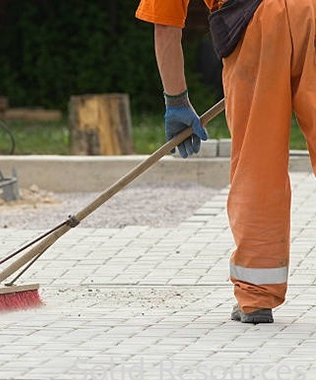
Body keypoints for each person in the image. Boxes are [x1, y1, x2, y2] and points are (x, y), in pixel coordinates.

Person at [135, 0, 316, 323]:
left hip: (258, 24)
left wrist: (176, 100)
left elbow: (165, 26)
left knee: (258, 164)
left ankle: (257, 295)